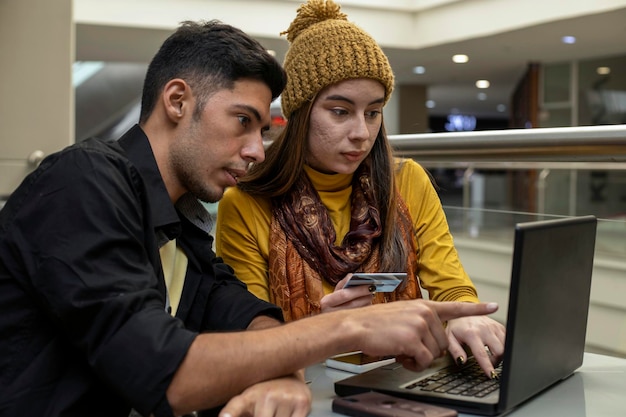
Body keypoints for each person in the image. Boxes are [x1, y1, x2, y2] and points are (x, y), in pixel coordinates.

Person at [0, 18, 499, 417]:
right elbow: (162, 368)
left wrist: (281, 368)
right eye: (242, 122)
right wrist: (351, 329)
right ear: (177, 102)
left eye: (262, 129)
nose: (257, 151)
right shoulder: (83, 180)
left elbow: (239, 313)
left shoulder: (178, 221)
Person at [215, 0, 506, 380]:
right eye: (340, 111)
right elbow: (248, 340)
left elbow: (452, 288)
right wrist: (325, 331)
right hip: (303, 385)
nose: (361, 133)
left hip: (404, 378)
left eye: (373, 112)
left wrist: (466, 319)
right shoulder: (246, 204)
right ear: (300, 114)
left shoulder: (408, 181)